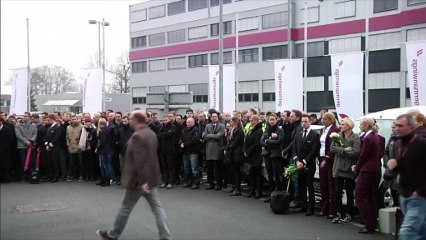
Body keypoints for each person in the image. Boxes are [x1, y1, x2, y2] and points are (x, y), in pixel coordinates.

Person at [96, 110, 171, 240]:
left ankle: (113, 234)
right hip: (151, 178)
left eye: (130, 118)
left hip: (138, 180)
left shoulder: (137, 136)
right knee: (157, 208)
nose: (129, 121)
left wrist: (142, 181)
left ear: (136, 120)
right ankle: (165, 237)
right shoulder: (150, 133)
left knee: (125, 208)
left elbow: (139, 160)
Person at [387, 114, 426, 240]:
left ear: (411, 127)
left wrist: (421, 191)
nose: (396, 128)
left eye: (400, 126)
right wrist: (395, 165)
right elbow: (405, 164)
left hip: (418, 196)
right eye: (395, 125)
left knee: (407, 232)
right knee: (420, 230)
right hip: (404, 193)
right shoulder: (398, 143)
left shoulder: (421, 144)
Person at [351, 117, 384, 234]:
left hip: (367, 170)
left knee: (359, 195)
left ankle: (368, 223)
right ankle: (372, 222)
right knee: (370, 196)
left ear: (365, 125)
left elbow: (363, 155)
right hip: (374, 169)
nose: (359, 127)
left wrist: (357, 167)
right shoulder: (375, 137)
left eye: (360, 125)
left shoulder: (368, 138)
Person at [330, 117, 360, 223]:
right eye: (341, 124)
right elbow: (332, 149)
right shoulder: (337, 136)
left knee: (349, 191)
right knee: (337, 191)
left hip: (348, 168)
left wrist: (341, 151)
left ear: (349, 126)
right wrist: (344, 150)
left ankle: (349, 213)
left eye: (343, 124)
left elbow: (356, 152)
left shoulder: (355, 137)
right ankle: (339, 212)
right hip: (338, 167)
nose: (341, 126)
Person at [292, 114, 320, 216]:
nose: (303, 123)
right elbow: (294, 148)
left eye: (305, 121)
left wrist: (304, 162)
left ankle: (310, 208)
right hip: (298, 164)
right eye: (302, 122)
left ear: (310, 122)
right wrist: (297, 161)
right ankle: (303, 206)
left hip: (308, 164)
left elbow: (313, 151)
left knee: (310, 186)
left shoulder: (314, 135)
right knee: (301, 185)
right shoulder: (298, 133)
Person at [318, 112, 340, 219]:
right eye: (322, 119)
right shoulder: (322, 130)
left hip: (330, 160)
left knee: (331, 184)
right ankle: (324, 207)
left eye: (325, 119)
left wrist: (326, 159)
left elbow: (334, 147)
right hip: (321, 157)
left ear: (331, 120)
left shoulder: (335, 130)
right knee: (323, 184)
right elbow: (320, 144)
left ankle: (332, 209)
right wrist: (318, 157)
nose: (323, 121)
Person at [260, 113, 284, 202]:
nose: (272, 121)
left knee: (276, 175)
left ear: (276, 120)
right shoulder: (266, 129)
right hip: (267, 154)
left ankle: (277, 195)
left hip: (276, 155)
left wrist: (267, 141)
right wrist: (270, 142)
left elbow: (279, 142)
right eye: (270, 119)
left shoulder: (280, 130)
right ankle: (270, 195)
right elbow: (261, 141)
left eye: (273, 119)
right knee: (269, 175)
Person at [203, 112, 225, 190]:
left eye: (215, 116)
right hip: (209, 149)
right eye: (213, 117)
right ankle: (211, 183)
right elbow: (204, 136)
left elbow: (219, 136)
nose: (214, 118)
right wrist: (212, 136)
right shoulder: (208, 125)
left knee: (218, 168)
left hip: (217, 149)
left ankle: (219, 184)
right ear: (211, 118)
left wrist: (209, 135)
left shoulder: (222, 125)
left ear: (218, 117)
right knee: (210, 168)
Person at [243, 115, 263, 199]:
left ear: (257, 121)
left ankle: (258, 191)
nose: (251, 122)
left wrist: (248, 151)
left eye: (253, 121)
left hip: (256, 155)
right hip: (250, 155)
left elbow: (256, 143)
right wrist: (244, 150)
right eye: (250, 121)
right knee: (251, 174)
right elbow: (246, 140)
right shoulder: (251, 130)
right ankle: (252, 190)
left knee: (257, 174)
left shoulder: (259, 130)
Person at [14, 112, 38, 181]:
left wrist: (31, 141)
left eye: (26, 116)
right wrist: (25, 141)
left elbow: (35, 134)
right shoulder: (18, 125)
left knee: (32, 161)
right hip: (22, 146)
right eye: (24, 116)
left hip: (31, 146)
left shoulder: (34, 125)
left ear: (29, 117)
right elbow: (18, 135)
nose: (25, 117)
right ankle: (23, 175)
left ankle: (30, 175)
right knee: (23, 162)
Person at [225, 116, 244, 196]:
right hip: (233, 153)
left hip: (237, 154)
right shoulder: (233, 130)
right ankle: (235, 187)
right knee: (234, 171)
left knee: (237, 172)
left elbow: (236, 142)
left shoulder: (240, 131)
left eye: (232, 122)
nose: (230, 123)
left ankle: (238, 189)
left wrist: (229, 147)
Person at [180, 117, 201, 189]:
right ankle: (188, 182)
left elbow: (194, 140)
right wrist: (180, 143)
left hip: (193, 151)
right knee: (186, 168)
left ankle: (196, 183)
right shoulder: (184, 130)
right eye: (187, 122)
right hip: (185, 152)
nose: (187, 123)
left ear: (193, 122)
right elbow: (181, 138)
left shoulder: (196, 130)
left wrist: (185, 144)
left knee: (194, 168)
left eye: (189, 122)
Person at [158, 114, 177, 189]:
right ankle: (164, 181)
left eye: (166, 120)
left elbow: (171, 133)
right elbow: (159, 135)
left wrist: (164, 134)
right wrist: (166, 133)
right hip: (162, 149)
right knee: (164, 167)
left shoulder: (173, 126)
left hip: (170, 149)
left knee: (170, 167)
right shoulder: (161, 126)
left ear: (169, 120)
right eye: (164, 120)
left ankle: (170, 182)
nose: (165, 121)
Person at [96, 118, 116, 187]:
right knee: (104, 165)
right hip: (106, 149)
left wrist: (97, 148)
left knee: (105, 166)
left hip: (104, 150)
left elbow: (102, 142)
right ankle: (104, 179)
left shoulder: (104, 131)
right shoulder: (108, 130)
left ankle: (107, 180)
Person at [44, 114, 62, 183]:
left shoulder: (57, 127)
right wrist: (46, 144)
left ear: (52, 119)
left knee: (55, 162)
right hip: (48, 147)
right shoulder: (49, 128)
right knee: (50, 162)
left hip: (54, 147)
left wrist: (50, 145)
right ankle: (51, 176)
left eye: (49, 120)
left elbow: (56, 138)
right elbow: (46, 137)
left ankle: (56, 176)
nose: (47, 121)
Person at [117, 116, 134, 182]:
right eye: (123, 121)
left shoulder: (132, 129)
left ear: (128, 121)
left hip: (130, 151)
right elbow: (118, 140)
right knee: (122, 166)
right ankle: (124, 179)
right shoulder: (120, 130)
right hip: (121, 151)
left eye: (125, 121)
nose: (124, 123)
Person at [66, 115, 83, 181]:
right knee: (72, 162)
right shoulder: (68, 127)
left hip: (78, 146)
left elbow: (82, 137)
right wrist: (68, 144)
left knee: (80, 162)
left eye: (75, 119)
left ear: (77, 119)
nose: (74, 120)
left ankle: (80, 175)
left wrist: (80, 145)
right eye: (72, 119)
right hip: (71, 146)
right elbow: (67, 137)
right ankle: (73, 175)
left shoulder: (81, 127)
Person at [0, 117, 14, 183]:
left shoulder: (7, 129)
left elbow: (11, 140)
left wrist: (5, 148)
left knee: (6, 165)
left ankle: (6, 178)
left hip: (6, 151)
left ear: (1, 122)